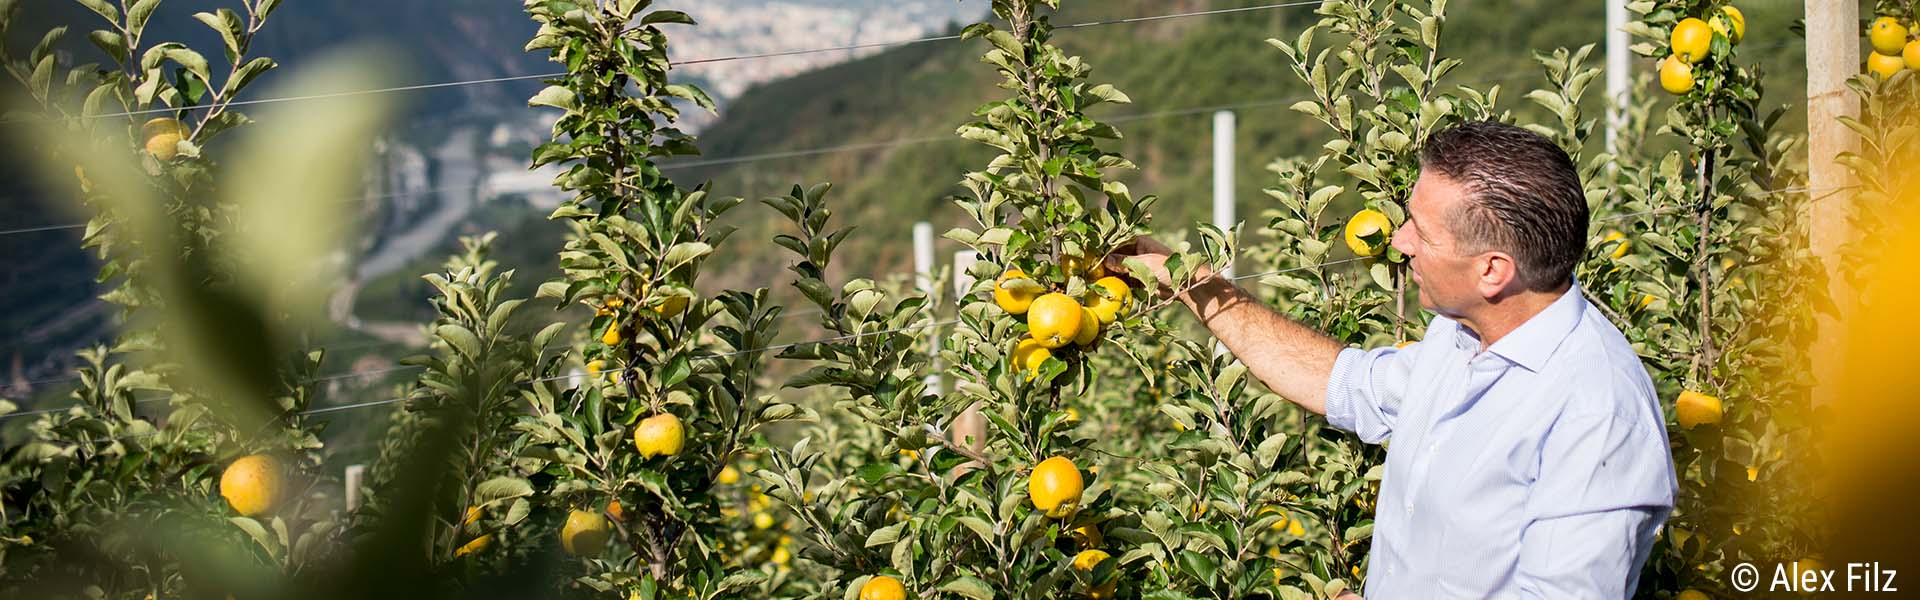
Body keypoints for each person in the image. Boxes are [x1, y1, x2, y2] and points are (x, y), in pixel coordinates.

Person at [1105, 122, 1678, 598]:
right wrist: (1191, 281)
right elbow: (1345, 382)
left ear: (1492, 271)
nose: (1400, 241)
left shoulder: (1596, 415)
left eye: (1422, 233)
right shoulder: (1460, 336)